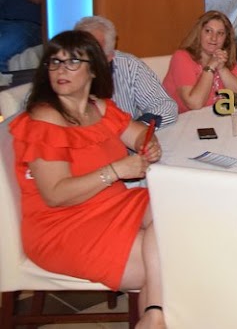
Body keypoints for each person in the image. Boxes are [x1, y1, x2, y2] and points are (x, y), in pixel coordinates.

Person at [9, 31, 165, 328]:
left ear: (93, 69)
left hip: (112, 205)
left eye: (72, 62)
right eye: (55, 62)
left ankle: (154, 314)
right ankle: (155, 314)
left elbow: (138, 134)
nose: (60, 70)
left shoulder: (99, 107)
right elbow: (55, 194)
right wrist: (116, 170)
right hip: (64, 225)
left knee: (176, 211)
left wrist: (148, 143)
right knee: (170, 257)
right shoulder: (44, 119)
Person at [74, 16, 178, 127]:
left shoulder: (129, 65)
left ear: (109, 56)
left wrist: (136, 130)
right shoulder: (63, 73)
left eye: (92, 55)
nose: (83, 63)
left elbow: (165, 106)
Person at [162, 11, 237, 114]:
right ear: (199, 33)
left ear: (226, 38)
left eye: (220, 33)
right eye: (208, 31)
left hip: (216, 116)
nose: (214, 38)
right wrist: (210, 67)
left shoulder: (224, 56)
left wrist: (222, 69)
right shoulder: (181, 57)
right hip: (182, 119)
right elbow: (195, 104)